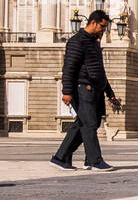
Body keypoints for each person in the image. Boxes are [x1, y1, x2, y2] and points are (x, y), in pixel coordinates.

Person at [50, 9, 122, 171]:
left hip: (95, 89)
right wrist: (67, 91)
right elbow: (69, 68)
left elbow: (99, 71)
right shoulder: (78, 41)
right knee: (89, 123)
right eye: (102, 26)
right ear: (93, 23)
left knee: (87, 123)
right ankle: (94, 160)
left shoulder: (94, 43)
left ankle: (61, 157)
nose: (104, 30)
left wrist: (110, 94)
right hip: (82, 88)